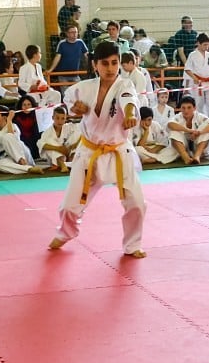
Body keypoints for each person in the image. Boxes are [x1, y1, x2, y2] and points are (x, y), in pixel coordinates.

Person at [48, 41, 146, 258]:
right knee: (69, 206)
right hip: (89, 153)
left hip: (119, 152)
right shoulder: (85, 87)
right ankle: (66, 232)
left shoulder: (125, 85)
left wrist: (130, 115)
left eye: (115, 63)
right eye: (105, 63)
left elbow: (129, 101)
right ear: (95, 65)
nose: (111, 68)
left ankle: (132, 244)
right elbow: (69, 97)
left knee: (137, 204)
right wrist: (76, 107)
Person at [168, 95, 209, 165]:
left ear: (194, 108)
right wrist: (190, 131)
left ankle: (197, 157)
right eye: (183, 108)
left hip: (197, 146)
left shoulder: (199, 116)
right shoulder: (178, 117)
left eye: (189, 108)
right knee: (174, 131)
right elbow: (170, 124)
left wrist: (199, 132)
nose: (186, 110)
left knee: (206, 129)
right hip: (183, 147)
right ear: (180, 108)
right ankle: (186, 158)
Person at [183, 33, 209, 117]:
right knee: (199, 103)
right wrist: (194, 78)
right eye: (204, 45)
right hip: (198, 82)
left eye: (208, 45)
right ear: (198, 43)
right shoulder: (192, 55)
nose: (206, 47)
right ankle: (199, 122)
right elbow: (187, 69)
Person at [37, 105, 80, 172]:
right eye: (57, 118)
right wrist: (58, 148)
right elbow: (40, 144)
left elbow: (82, 132)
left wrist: (74, 144)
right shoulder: (47, 132)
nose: (60, 121)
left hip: (68, 153)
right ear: (52, 118)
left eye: (63, 118)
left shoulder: (70, 127)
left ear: (66, 118)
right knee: (49, 140)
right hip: (55, 158)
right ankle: (62, 165)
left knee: (77, 133)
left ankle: (71, 162)